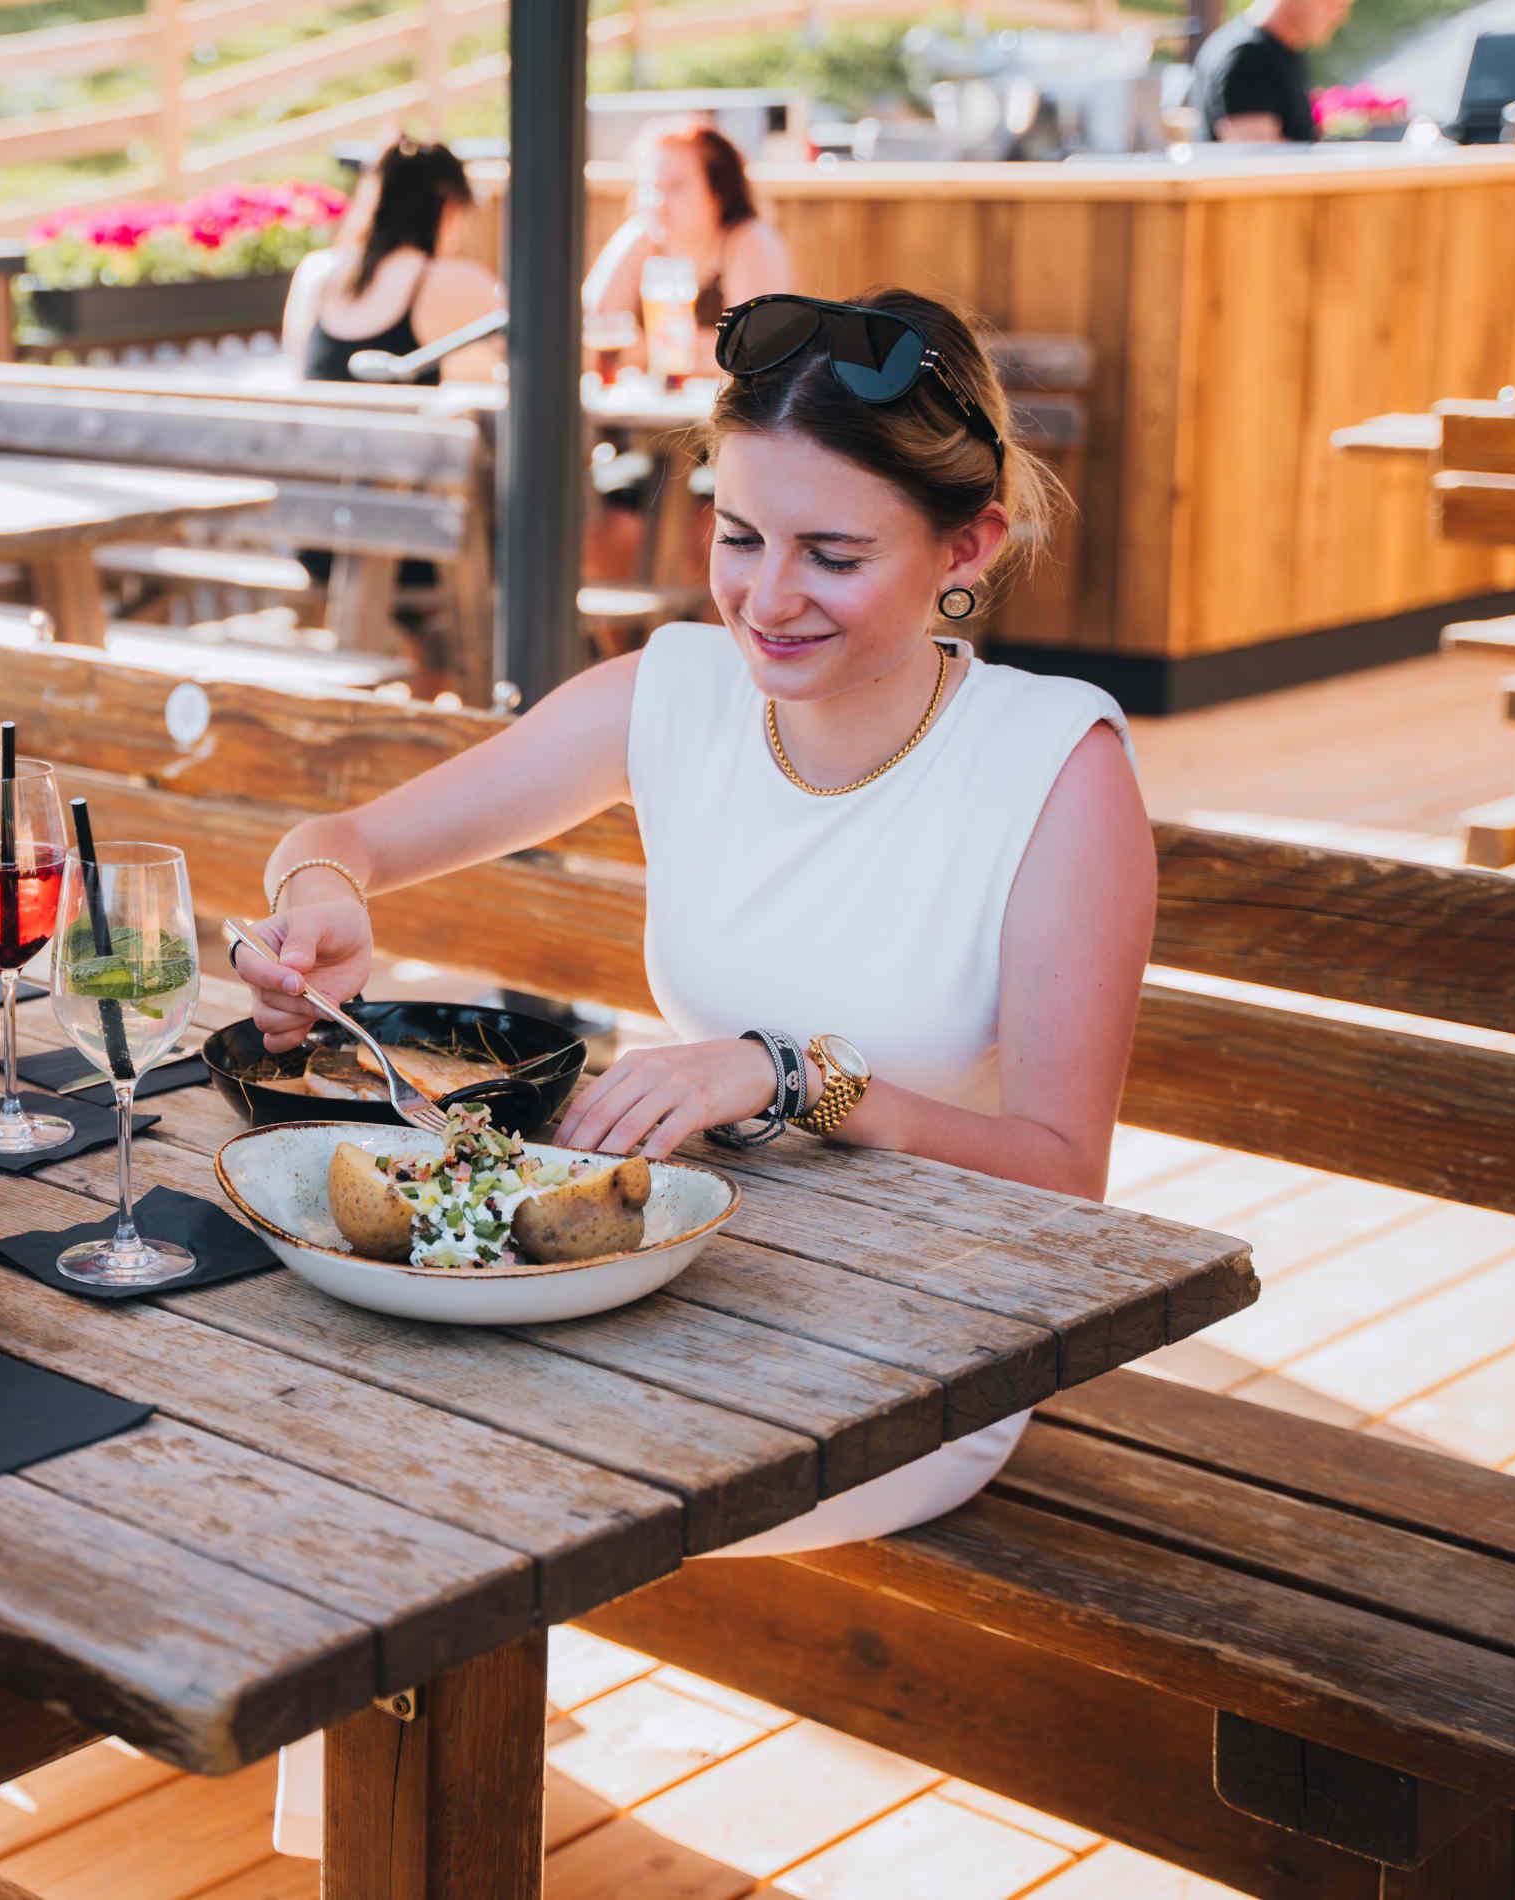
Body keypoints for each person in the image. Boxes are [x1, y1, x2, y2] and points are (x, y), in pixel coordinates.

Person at [245, 288, 1154, 1856]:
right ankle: (403, 1837)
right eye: (739, 536)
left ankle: (413, 1840)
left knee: (412, 1440)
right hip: (673, 1283)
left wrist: (796, 1077)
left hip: (918, 1355)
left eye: (832, 555)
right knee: (324, 1364)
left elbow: (1068, 1176)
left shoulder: (1052, 767)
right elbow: (345, 841)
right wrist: (319, 901)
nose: (767, 598)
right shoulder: (677, 692)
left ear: (969, 546)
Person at [581, 122, 794, 583]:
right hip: (643, 443)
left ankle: (705, 629)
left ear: (719, 191)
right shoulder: (644, 237)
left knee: (710, 539)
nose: (658, 202)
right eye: (650, 187)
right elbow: (591, 331)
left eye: (676, 187)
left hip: (729, 449)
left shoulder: (748, 242)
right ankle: (646, 630)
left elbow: (755, 358)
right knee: (600, 534)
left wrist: (650, 353)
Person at [279, 135, 504, 389]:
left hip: (321, 415)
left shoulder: (318, 270)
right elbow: (513, 367)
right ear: (450, 208)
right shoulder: (453, 279)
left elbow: (296, 366)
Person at [1193, 0, 1355, 141]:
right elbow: (1257, 158)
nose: (1340, 17)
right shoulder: (1248, 57)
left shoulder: (1282, 50)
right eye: (1334, 3)